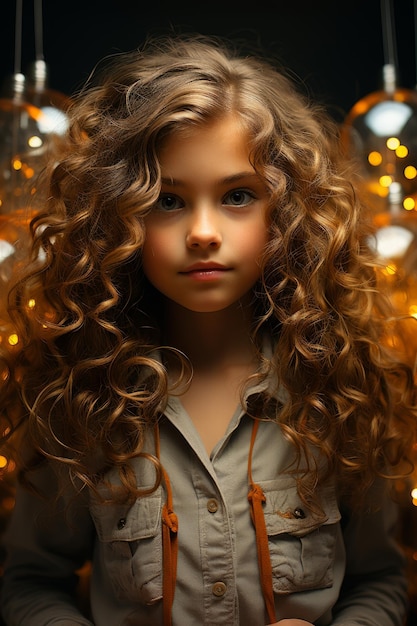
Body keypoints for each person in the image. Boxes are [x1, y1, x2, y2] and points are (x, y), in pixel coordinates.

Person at [0, 32, 416, 626]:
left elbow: (380, 580)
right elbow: (31, 585)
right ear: (116, 215)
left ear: (286, 214)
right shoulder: (77, 398)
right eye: (167, 201)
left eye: (238, 196)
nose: (202, 231)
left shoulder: (339, 389)